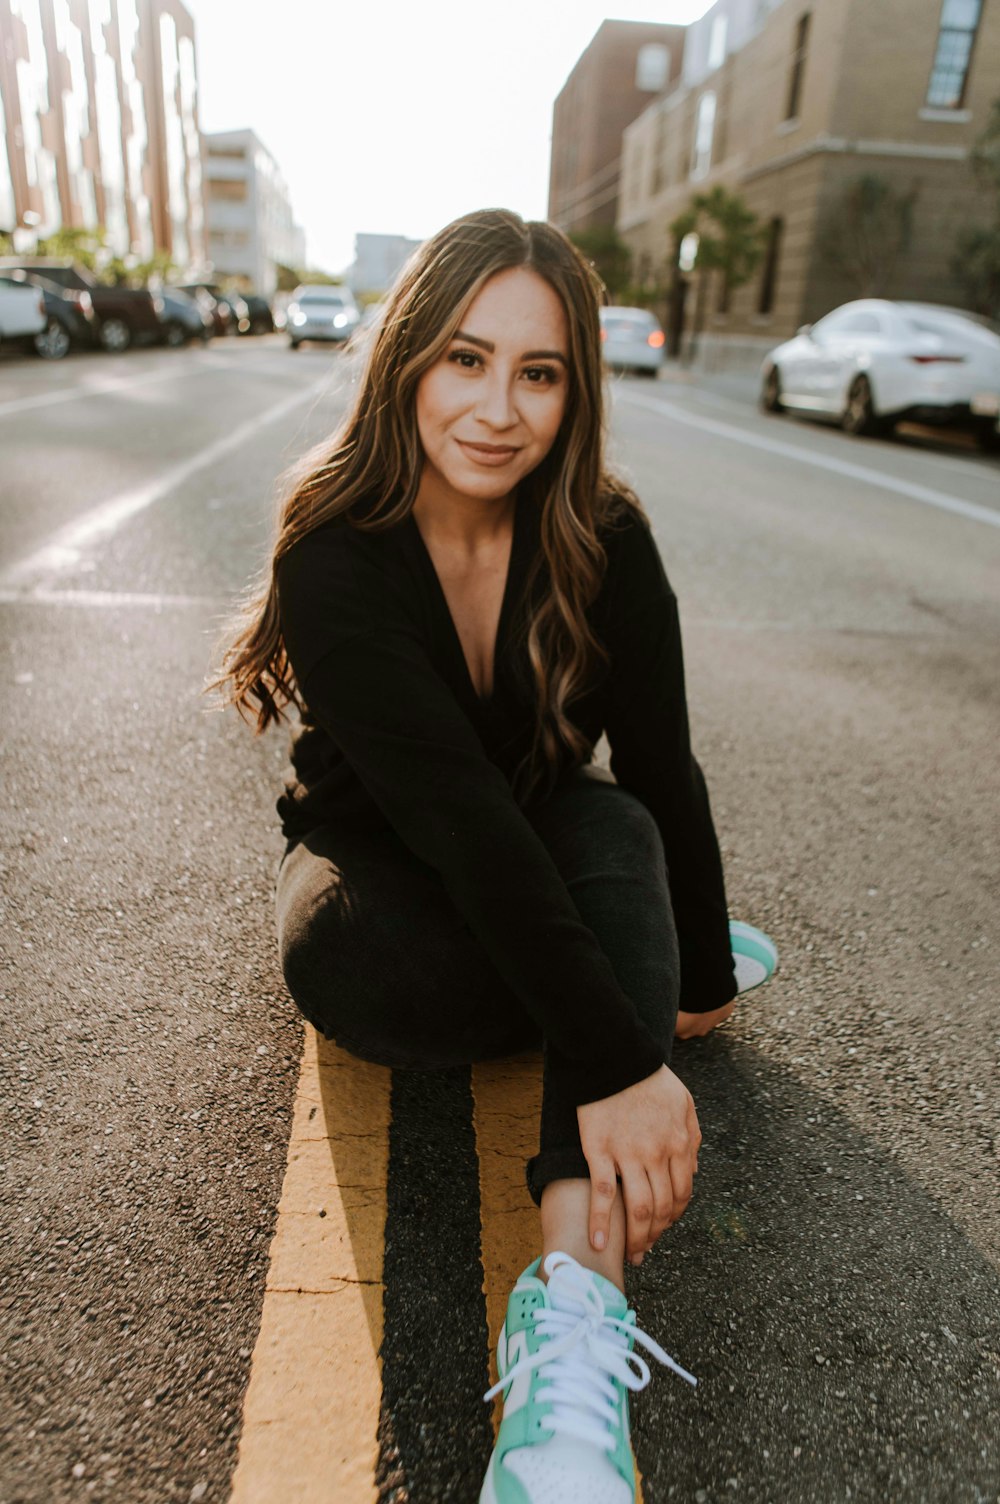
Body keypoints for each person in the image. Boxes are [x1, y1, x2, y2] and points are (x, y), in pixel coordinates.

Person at [214, 207, 739, 1504]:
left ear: (576, 391)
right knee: (352, 962)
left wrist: (705, 971)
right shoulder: (334, 552)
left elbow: (661, 769)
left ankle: (571, 1298)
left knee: (613, 824)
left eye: (540, 370)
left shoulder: (606, 538)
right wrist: (623, 1042)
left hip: (550, 836)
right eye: (465, 358)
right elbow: (452, 817)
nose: (499, 406)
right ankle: (617, 954)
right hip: (384, 862)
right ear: (405, 365)